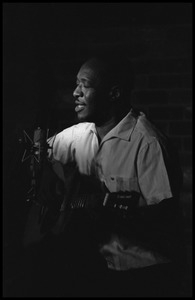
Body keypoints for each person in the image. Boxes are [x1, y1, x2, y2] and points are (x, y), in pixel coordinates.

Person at [23, 50, 186, 297]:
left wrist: (109, 213)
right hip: (95, 269)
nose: (75, 92)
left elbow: (163, 216)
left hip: (143, 275)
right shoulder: (79, 135)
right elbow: (35, 149)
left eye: (85, 85)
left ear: (114, 93)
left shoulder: (148, 143)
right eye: (76, 84)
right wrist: (45, 174)